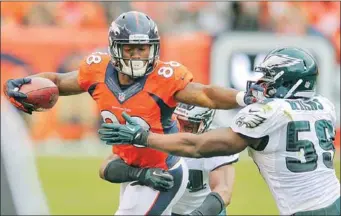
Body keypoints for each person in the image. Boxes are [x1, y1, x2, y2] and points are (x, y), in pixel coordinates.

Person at [4, 11, 256, 215]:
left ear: (153, 48)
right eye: (130, 49)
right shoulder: (97, 70)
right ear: (115, 48)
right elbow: (57, 82)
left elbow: (207, 94)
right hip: (133, 167)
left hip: (163, 170)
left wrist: (241, 97)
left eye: (143, 48)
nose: (137, 55)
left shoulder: (165, 77)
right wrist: (25, 82)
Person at [99, 47, 341, 215]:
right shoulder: (324, 106)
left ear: (288, 81)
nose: (262, 84)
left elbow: (198, 146)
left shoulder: (271, 112)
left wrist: (145, 137)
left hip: (306, 209)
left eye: (269, 77)